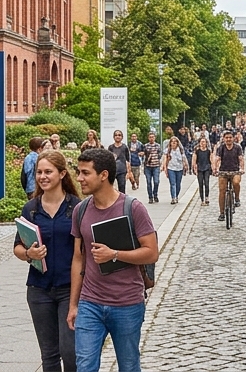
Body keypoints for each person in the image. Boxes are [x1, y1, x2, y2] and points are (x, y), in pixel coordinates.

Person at [68, 148, 158, 372]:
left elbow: (151, 252)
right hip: (90, 303)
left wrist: (114, 254)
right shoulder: (80, 211)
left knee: (128, 365)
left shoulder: (132, 208)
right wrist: (73, 305)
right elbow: (78, 259)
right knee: (85, 366)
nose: (79, 178)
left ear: (104, 175)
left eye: (85, 173)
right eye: (79, 172)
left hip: (127, 302)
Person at [15, 150, 81, 372]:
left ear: (62, 174)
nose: (42, 176)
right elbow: (18, 246)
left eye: (48, 172)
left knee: (70, 350)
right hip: (39, 288)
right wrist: (28, 254)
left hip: (69, 288)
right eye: (39, 172)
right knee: (49, 354)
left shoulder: (76, 207)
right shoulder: (31, 209)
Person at [212, 130, 246, 221]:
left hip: (235, 171)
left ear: (233, 138)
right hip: (223, 171)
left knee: (236, 182)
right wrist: (215, 169)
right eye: (226, 138)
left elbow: (241, 159)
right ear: (224, 139)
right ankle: (222, 213)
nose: (228, 139)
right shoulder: (221, 148)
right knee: (222, 191)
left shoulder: (237, 147)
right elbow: (217, 159)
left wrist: (242, 169)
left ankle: (237, 198)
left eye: (230, 137)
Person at [139, 133, 163, 203]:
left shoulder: (158, 146)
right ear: (148, 138)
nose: (151, 138)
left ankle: (155, 194)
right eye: (150, 137)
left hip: (156, 166)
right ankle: (150, 197)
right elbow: (142, 153)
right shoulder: (145, 146)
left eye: (153, 137)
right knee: (148, 182)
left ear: (155, 138)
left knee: (156, 182)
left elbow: (160, 154)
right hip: (148, 167)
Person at [164, 136, 188, 205]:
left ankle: (176, 195)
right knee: (173, 183)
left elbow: (184, 158)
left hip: (179, 168)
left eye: (175, 142)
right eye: (172, 142)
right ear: (170, 143)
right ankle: (173, 197)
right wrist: (165, 168)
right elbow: (165, 159)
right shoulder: (168, 150)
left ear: (177, 143)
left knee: (178, 184)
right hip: (171, 168)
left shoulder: (180, 150)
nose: (174, 143)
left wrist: (186, 165)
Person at [193, 137, 214, 206]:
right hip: (199, 168)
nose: (203, 143)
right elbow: (194, 160)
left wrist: (213, 167)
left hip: (207, 168)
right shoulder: (197, 151)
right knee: (200, 184)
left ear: (206, 143)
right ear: (199, 143)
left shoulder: (208, 151)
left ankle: (207, 197)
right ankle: (202, 199)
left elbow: (211, 160)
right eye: (201, 142)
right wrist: (194, 167)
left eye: (204, 142)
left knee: (207, 183)